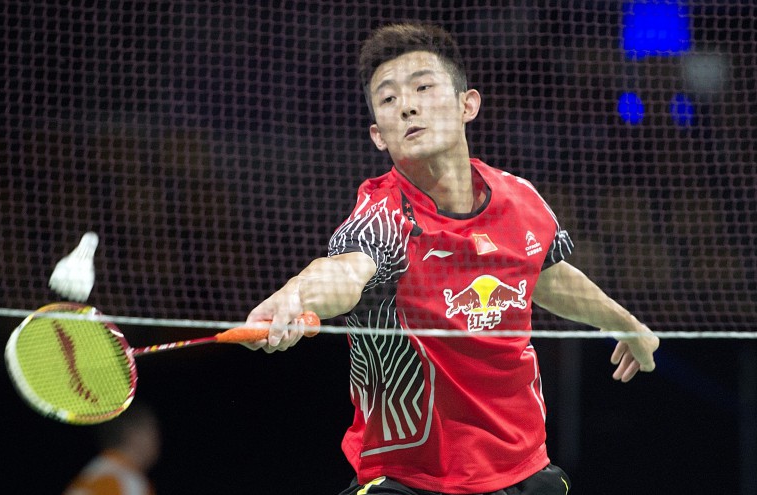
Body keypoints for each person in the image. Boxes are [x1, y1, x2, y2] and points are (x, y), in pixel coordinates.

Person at [245, 22, 659, 495]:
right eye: (389, 99)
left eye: (423, 87)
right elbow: (343, 271)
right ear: (379, 136)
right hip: (411, 481)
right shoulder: (383, 216)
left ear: (468, 105)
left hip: (525, 472)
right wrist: (293, 296)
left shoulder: (521, 200)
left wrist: (623, 321)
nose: (408, 105)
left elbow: (546, 275)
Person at [63, 402, 160, 495]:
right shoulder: (128, 480)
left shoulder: (94, 471)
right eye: (152, 432)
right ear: (135, 436)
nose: (158, 441)